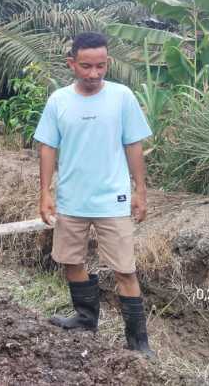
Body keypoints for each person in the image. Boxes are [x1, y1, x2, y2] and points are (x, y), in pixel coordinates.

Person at [34, 32, 155, 357]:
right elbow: (48, 147)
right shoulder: (58, 100)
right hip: (71, 200)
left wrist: (139, 189)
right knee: (71, 261)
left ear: (108, 63)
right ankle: (86, 319)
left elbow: (134, 145)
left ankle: (138, 341)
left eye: (100, 66)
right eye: (86, 66)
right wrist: (45, 192)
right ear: (72, 63)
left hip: (112, 201)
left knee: (124, 269)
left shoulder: (122, 97)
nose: (93, 74)